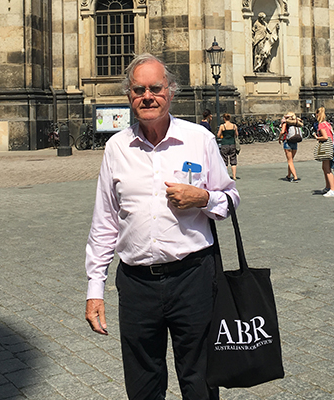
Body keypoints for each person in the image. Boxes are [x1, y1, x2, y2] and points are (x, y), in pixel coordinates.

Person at [84, 53, 239, 400]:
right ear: (129, 97)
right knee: (143, 385)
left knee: (200, 380)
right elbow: (105, 221)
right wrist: (95, 288)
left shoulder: (199, 139)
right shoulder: (116, 148)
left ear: (170, 92)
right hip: (137, 283)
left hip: (194, 277)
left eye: (155, 88)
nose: (147, 96)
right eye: (139, 90)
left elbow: (231, 200)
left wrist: (203, 198)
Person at [314, 107, 334, 197]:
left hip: (326, 147)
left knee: (327, 169)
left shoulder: (321, 125)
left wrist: (317, 137)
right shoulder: (327, 124)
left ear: (318, 115)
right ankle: (328, 187)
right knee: (325, 168)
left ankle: (332, 189)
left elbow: (325, 137)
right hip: (330, 146)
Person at [277, 112, 302, 182]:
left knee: (290, 161)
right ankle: (288, 176)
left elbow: (282, 132)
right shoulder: (296, 123)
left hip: (287, 142)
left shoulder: (285, 123)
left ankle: (295, 176)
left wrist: (279, 138)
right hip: (295, 142)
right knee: (291, 160)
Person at [217, 113, 240, 180]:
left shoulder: (222, 126)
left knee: (225, 160)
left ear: (224, 118)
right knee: (233, 160)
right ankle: (234, 176)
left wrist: (222, 135)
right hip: (232, 144)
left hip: (225, 144)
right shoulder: (234, 126)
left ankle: (226, 176)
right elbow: (236, 134)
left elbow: (218, 135)